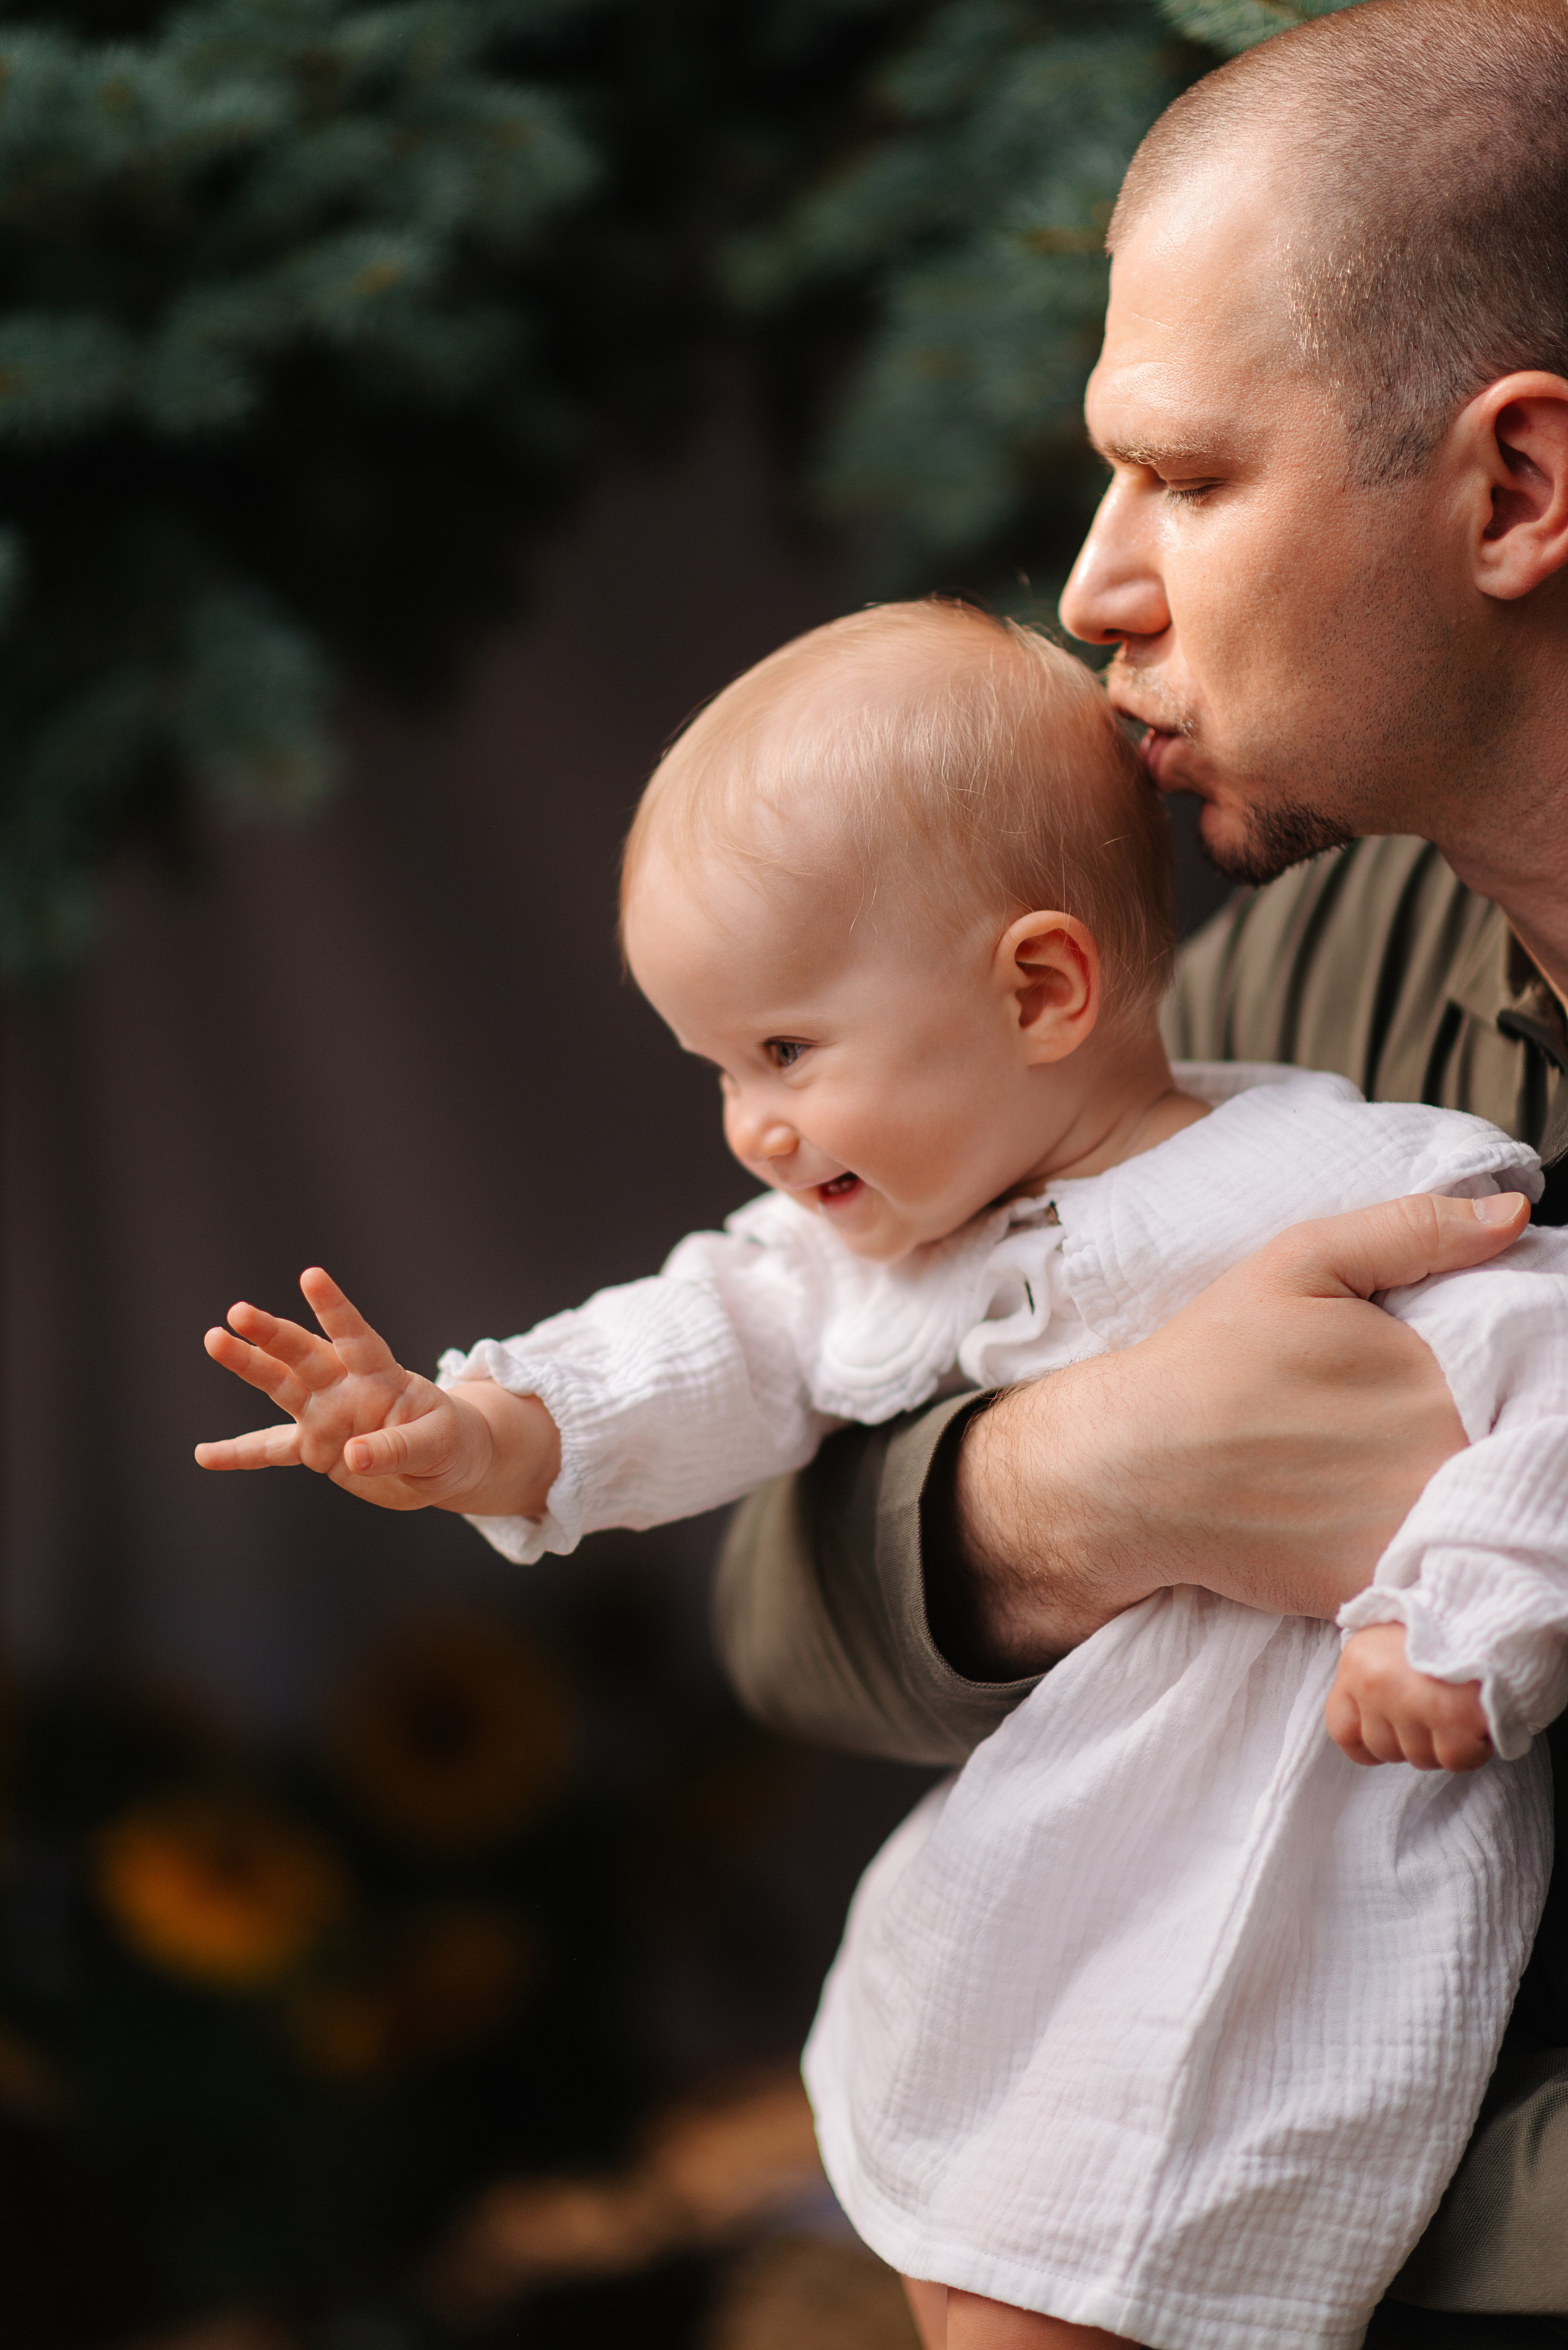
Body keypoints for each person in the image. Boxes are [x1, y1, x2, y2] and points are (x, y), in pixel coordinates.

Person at [197, 598, 1568, 2349]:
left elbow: (1545, 1374)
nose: (752, 1129)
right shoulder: (885, 1248)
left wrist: (1459, 1617)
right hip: (1084, 1845)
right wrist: (486, 1428)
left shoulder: (1329, 1172)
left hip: (1298, 1853)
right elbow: (708, 1337)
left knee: (1105, 2256)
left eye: (785, 1053)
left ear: (1041, 987)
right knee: (963, 2237)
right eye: (717, 1069)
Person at [710, 2, 1568, 2340]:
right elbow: (782, 1596)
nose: (1096, 588)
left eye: (1184, 481)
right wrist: (1080, 1488)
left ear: (1515, 491)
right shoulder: (1262, 993)